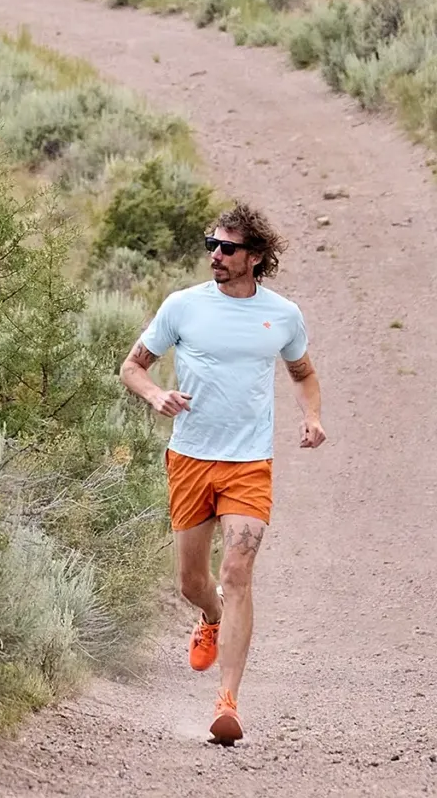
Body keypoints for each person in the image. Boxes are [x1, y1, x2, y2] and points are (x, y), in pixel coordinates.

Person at [121, 201, 326, 745]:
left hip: (248, 464)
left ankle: (228, 702)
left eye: (228, 248)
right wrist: (156, 393)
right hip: (190, 457)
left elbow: (303, 373)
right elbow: (132, 366)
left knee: (237, 573)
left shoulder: (282, 315)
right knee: (193, 581)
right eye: (212, 245)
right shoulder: (182, 306)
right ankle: (208, 616)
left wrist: (312, 416)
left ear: (254, 258)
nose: (216, 254)